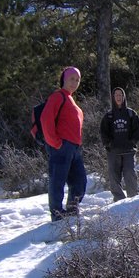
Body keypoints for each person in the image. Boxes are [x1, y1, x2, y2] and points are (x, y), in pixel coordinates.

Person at [41, 66, 87, 222]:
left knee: (80, 181)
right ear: (64, 79)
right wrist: (55, 143)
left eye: (77, 80)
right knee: (57, 181)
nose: (74, 82)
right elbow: (45, 120)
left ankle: (72, 210)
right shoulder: (57, 96)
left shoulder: (70, 99)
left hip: (74, 148)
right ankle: (57, 214)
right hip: (61, 147)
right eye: (71, 79)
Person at [100, 87, 139, 202]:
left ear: (124, 97)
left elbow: (137, 132)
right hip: (113, 151)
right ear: (113, 98)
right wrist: (108, 144)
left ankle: (133, 199)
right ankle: (118, 200)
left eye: (121, 95)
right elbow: (103, 133)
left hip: (128, 151)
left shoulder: (131, 114)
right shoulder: (108, 116)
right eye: (116, 95)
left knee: (130, 173)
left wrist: (132, 142)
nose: (119, 97)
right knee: (114, 177)